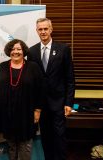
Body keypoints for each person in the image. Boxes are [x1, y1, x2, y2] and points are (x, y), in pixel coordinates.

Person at [27, 18, 75, 160]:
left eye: (45, 29)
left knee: (59, 138)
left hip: (59, 103)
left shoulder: (63, 49)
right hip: (41, 105)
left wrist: (69, 102)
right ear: (37, 31)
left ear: (51, 29)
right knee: (46, 138)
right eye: (40, 29)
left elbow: (70, 78)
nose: (43, 32)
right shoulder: (32, 51)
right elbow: (32, 81)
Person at [0, 39, 42, 160]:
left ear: (24, 51)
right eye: (13, 49)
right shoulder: (3, 66)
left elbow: (40, 90)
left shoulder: (33, 67)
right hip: (8, 114)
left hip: (26, 113)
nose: (15, 52)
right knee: (11, 145)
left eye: (19, 49)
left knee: (25, 145)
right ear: (8, 51)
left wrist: (38, 110)